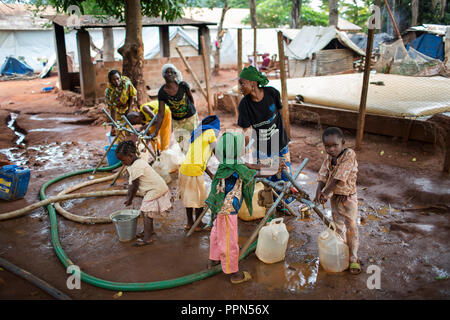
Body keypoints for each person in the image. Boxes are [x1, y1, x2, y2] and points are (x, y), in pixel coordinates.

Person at [237, 65, 295, 211]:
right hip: (262, 148)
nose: (240, 87)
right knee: (268, 177)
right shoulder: (245, 105)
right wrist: (244, 152)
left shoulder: (272, 93)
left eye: (242, 83)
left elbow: (280, 114)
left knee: (284, 175)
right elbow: (245, 131)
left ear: (253, 83)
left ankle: (284, 204)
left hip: (280, 143)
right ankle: (271, 208)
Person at [205, 132, 258, 284]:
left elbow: (248, 166)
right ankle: (234, 273)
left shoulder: (227, 163)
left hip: (219, 206)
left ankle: (213, 260)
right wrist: (272, 170)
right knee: (229, 240)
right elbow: (253, 174)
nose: (244, 149)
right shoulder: (236, 167)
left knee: (217, 233)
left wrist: (262, 166)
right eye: (242, 147)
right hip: (229, 209)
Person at [313, 127, 360, 275]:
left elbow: (339, 177)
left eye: (335, 145)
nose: (331, 149)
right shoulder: (329, 158)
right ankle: (342, 252)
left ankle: (353, 258)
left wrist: (325, 192)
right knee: (338, 228)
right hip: (335, 198)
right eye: (327, 146)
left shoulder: (349, 155)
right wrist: (318, 192)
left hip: (348, 198)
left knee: (351, 228)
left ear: (343, 143)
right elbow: (323, 174)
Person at [115, 140, 172, 246]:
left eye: (123, 160)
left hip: (155, 189)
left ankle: (147, 238)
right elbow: (131, 180)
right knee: (145, 211)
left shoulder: (137, 166)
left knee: (146, 212)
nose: (122, 163)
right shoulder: (135, 163)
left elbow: (134, 186)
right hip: (154, 188)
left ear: (131, 156)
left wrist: (129, 199)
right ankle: (150, 231)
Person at [178, 115, 220, 231]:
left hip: (184, 169)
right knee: (200, 199)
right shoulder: (210, 132)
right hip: (194, 171)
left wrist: (211, 174)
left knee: (189, 198)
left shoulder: (197, 134)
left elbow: (198, 158)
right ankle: (198, 223)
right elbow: (216, 150)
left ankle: (190, 223)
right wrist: (225, 162)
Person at [152, 64, 199, 153]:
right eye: (167, 72)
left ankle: (198, 163)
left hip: (191, 118)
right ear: (163, 75)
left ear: (175, 74)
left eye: (172, 72)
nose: (169, 74)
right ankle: (187, 163)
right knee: (182, 144)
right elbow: (161, 113)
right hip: (177, 122)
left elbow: (191, 99)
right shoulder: (162, 92)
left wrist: (192, 112)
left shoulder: (183, 85)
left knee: (194, 141)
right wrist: (156, 131)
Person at [105, 70, 137, 140]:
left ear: (120, 77)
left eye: (117, 78)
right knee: (118, 133)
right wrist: (114, 125)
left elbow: (132, 98)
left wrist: (128, 113)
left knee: (128, 131)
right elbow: (112, 109)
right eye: (113, 80)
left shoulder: (127, 84)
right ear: (110, 81)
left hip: (128, 108)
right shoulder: (109, 92)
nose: (116, 81)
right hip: (118, 112)